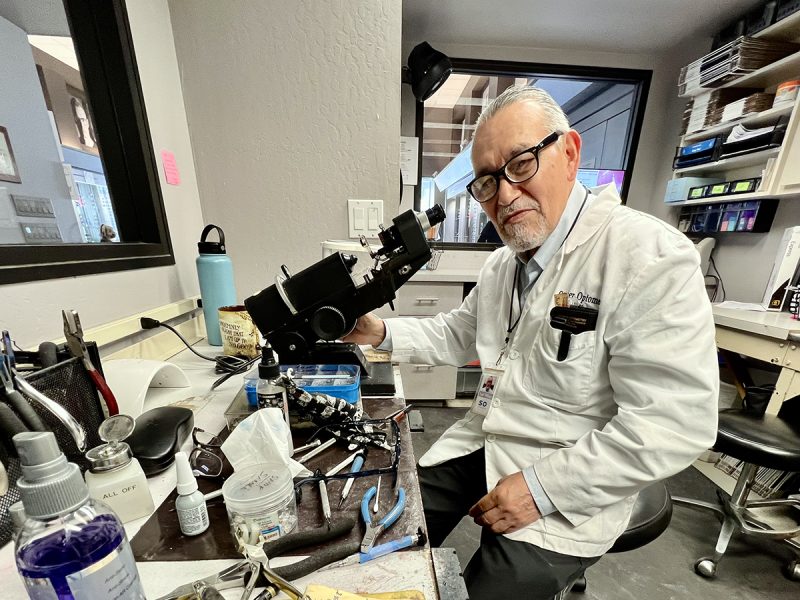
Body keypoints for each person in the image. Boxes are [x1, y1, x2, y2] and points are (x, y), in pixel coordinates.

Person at [343, 85, 719, 600]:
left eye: (521, 164)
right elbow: (457, 333)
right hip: (488, 439)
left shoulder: (648, 257)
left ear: (569, 153)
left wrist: (541, 490)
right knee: (376, 526)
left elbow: (674, 423)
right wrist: (377, 332)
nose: (504, 193)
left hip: (573, 474)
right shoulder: (503, 263)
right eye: (486, 182)